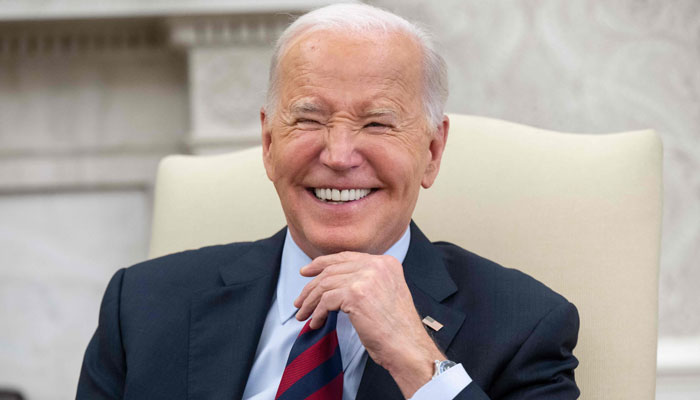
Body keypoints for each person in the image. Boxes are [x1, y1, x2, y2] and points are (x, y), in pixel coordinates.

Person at [77, 3, 579, 399]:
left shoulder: (525, 325)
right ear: (269, 143)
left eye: (377, 123)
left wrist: (417, 361)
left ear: (432, 152)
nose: (338, 156)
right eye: (309, 119)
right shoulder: (141, 306)